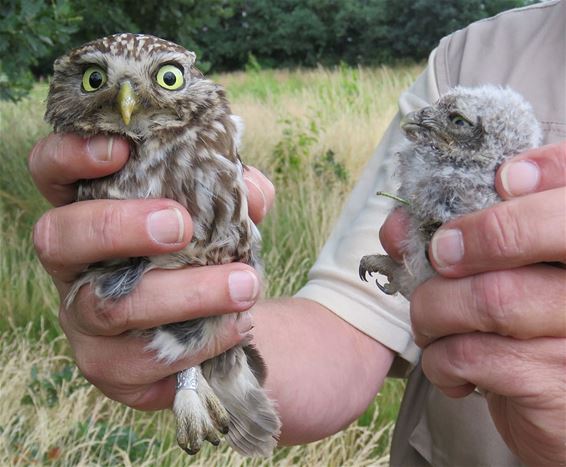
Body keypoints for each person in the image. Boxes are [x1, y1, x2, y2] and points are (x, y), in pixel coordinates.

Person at [28, 1, 565, 465]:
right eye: (98, 80)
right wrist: (181, 330)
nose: (128, 101)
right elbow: (347, 321)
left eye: (165, 78)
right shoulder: (475, 54)